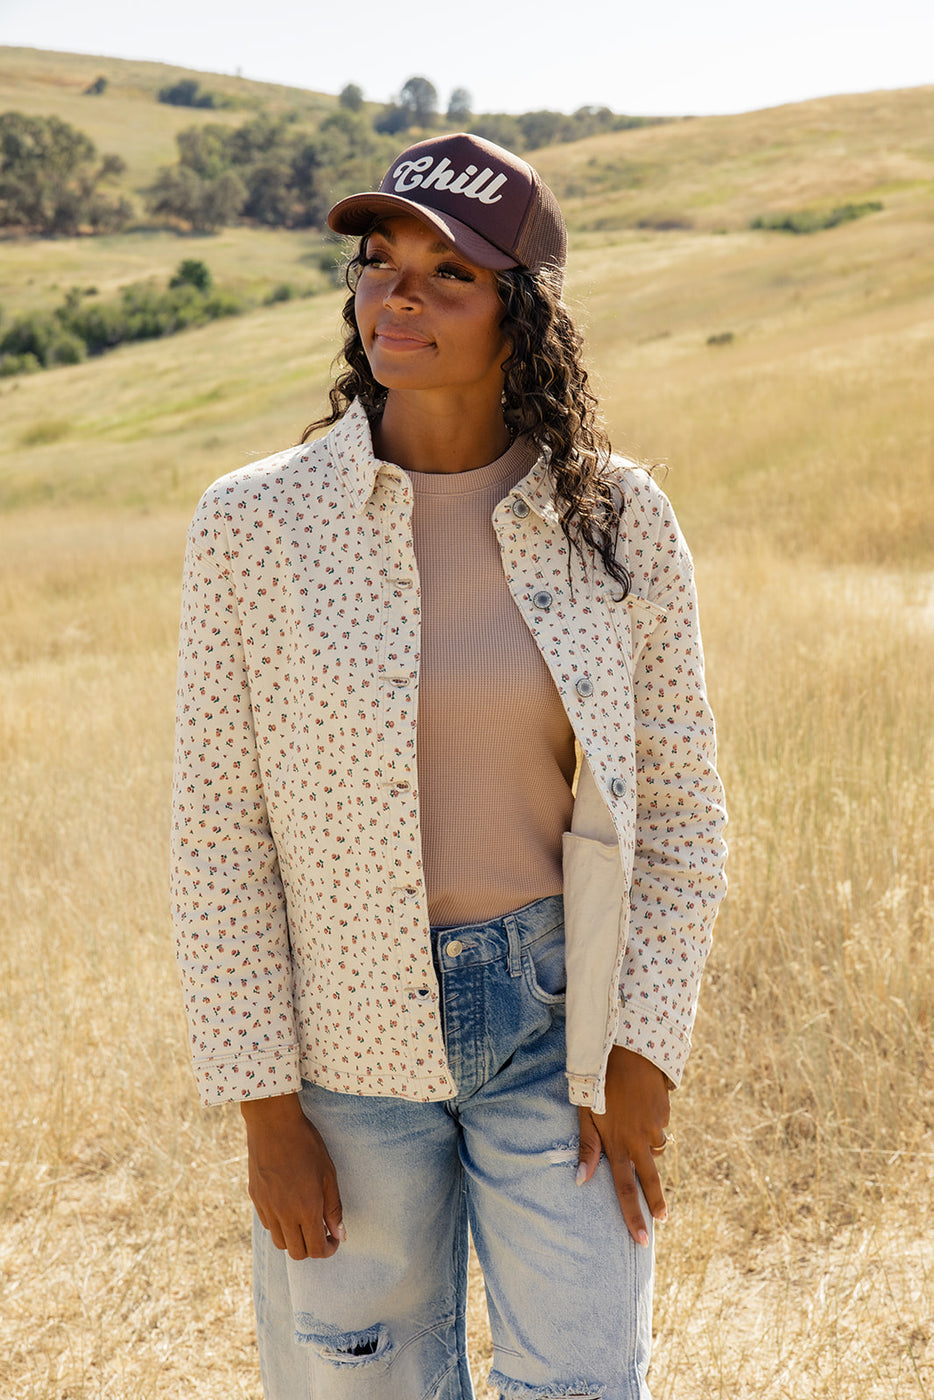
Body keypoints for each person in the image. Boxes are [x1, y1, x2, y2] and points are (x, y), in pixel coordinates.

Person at [171, 131, 727, 1400]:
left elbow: (685, 811)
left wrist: (641, 1059)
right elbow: (217, 832)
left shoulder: (615, 517)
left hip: (557, 1025)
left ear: (521, 312)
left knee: (582, 1382)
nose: (397, 293)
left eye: (448, 272)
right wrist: (266, 1113)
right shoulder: (253, 525)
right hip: (344, 1048)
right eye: (377, 261)